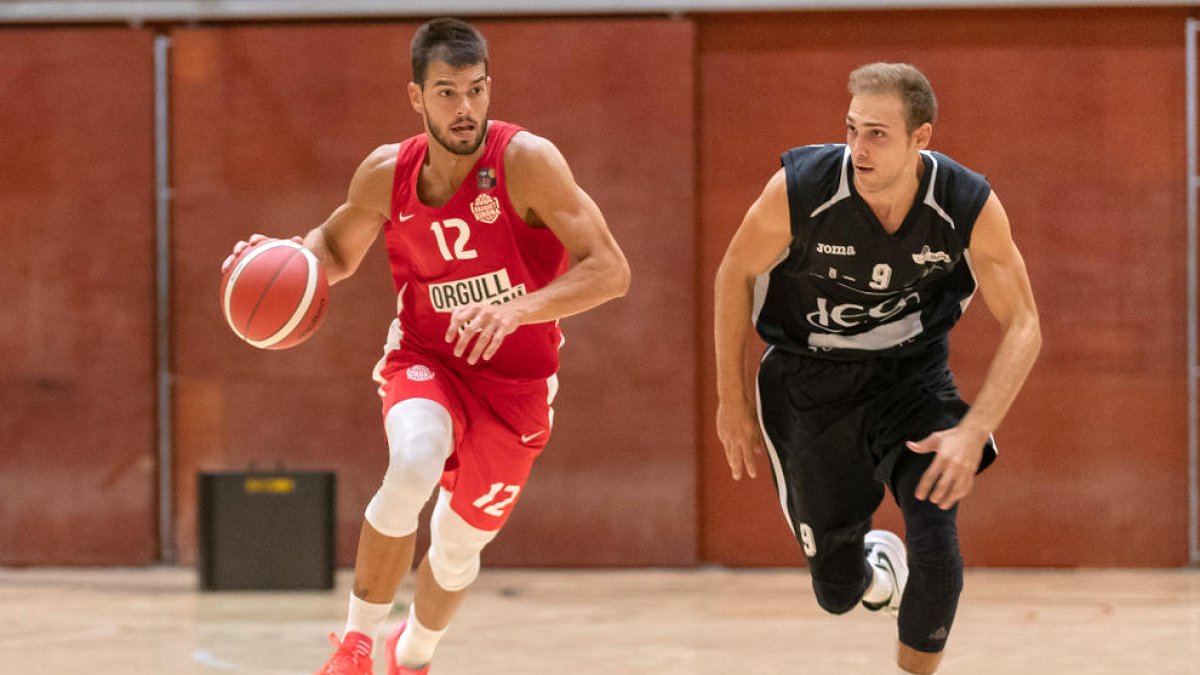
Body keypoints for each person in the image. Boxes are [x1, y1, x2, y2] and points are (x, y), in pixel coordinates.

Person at [223, 17, 629, 675]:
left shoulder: (526, 161)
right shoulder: (386, 173)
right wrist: (280, 259)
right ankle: (353, 647)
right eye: (446, 92)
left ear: (489, 88)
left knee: (455, 549)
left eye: (474, 90)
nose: (463, 108)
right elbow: (332, 248)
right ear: (416, 96)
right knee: (412, 462)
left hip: (516, 388)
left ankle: (412, 654)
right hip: (427, 357)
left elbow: (611, 269)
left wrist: (518, 308)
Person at [713, 63, 1040, 674]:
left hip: (910, 380)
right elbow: (734, 274)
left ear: (922, 138)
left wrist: (973, 429)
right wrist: (731, 401)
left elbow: (1024, 324)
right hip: (809, 381)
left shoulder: (965, 203)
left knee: (938, 547)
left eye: (878, 134)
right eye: (852, 130)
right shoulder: (802, 189)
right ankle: (871, 572)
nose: (858, 148)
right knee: (836, 591)